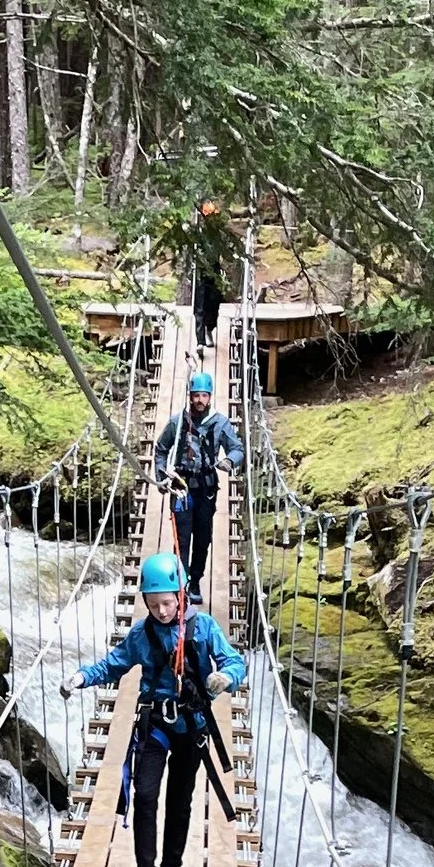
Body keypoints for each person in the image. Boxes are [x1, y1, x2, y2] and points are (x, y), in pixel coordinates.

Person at [69, 553, 248, 867]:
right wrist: (82, 677)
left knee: (180, 802)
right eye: (154, 605)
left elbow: (234, 661)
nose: (162, 611)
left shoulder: (203, 628)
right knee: (145, 794)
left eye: (167, 603)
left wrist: (225, 678)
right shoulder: (142, 633)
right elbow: (113, 664)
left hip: (192, 727)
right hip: (155, 726)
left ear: (181, 596)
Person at [152, 366, 242, 599]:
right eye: (196, 395)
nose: (200, 400)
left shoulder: (220, 423)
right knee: (182, 538)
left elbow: (237, 448)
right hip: (181, 488)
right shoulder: (178, 423)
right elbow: (161, 449)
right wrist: (162, 477)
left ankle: (195, 582)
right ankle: (182, 581)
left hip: (206, 490)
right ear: (190, 396)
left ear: (210, 397)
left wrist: (230, 462)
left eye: (204, 395)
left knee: (202, 538)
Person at [190, 197, 230, 352]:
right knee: (199, 306)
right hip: (200, 271)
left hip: (214, 270)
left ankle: (209, 329)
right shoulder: (197, 232)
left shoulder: (219, 233)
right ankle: (200, 341)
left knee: (214, 304)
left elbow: (226, 250)